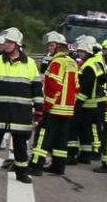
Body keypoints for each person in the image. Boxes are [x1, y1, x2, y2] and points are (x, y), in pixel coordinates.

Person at [0, 27, 43, 183]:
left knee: (20, 144)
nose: (5, 45)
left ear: (17, 45)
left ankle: (21, 173)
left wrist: (39, 109)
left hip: (21, 112)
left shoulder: (30, 64)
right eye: (5, 42)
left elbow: (36, 88)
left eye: (9, 42)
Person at [30, 31, 77, 176]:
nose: (49, 48)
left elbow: (53, 87)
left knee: (43, 136)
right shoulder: (72, 62)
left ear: (58, 46)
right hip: (67, 110)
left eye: (51, 45)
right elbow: (77, 86)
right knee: (61, 139)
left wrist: (46, 106)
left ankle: (36, 165)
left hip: (54, 108)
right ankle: (58, 166)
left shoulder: (57, 62)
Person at [69, 37, 107, 164]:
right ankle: (86, 154)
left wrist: (78, 103)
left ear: (86, 52)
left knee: (81, 127)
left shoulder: (89, 65)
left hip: (91, 102)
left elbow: (86, 86)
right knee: (87, 128)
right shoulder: (95, 61)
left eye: (81, 52)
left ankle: (77, 153)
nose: (79, 54)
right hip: (97, 100)